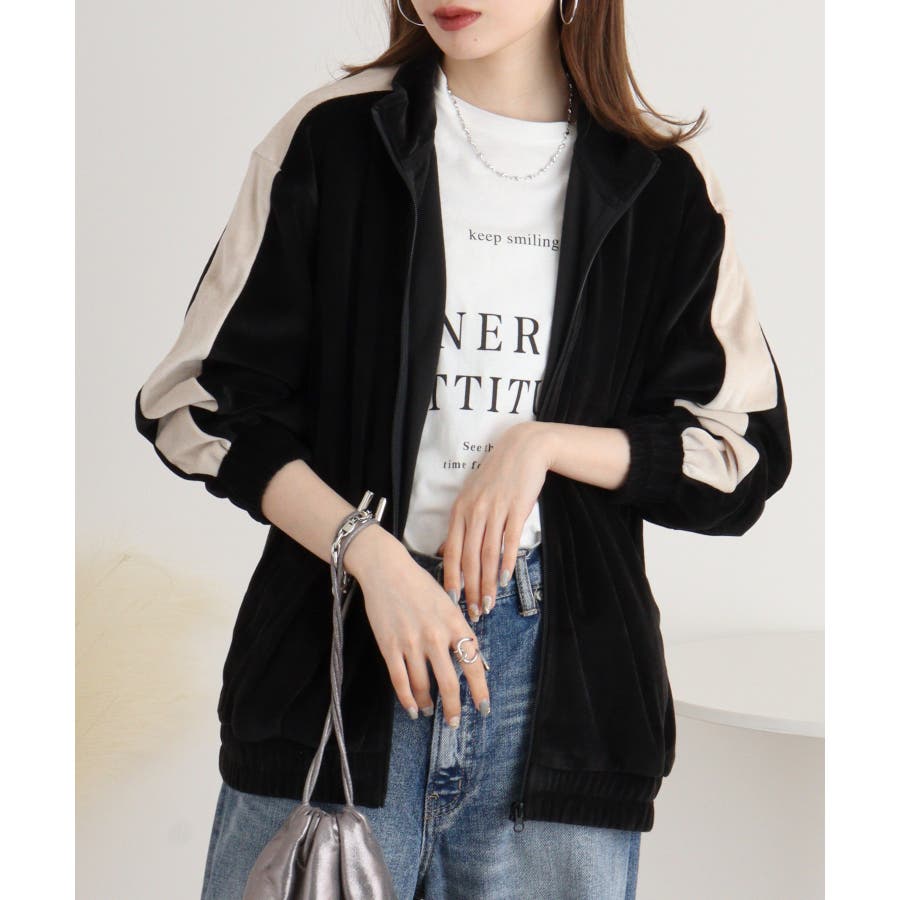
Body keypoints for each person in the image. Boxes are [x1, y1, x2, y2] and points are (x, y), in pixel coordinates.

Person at [134, 1, 793, 897]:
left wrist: (544, 446)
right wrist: (367, 555)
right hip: (337, 680)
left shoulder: (660, 184)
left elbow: (739, 451)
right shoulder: (336, 137)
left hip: (560, 703)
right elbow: (200, 403)